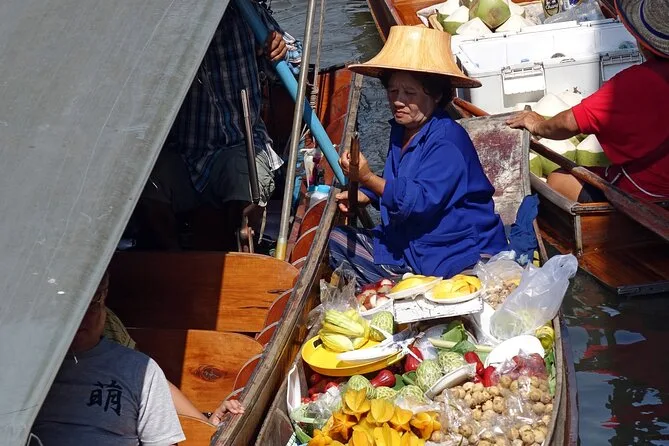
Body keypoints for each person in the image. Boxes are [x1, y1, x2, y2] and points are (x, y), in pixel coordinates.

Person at [328, 26, 508, 285]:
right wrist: (369, 194)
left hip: (454, 252)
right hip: (413, 244)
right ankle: (401, 282)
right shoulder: (403, 129)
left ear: (436, 95)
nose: (398, 101)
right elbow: (404, 182)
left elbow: (421, 200)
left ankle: (408, 283)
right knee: (338, 240)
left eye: (409, 93)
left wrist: (367, 178)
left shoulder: (447, 140)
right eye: (393, 92)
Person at [140, 0, 302, 249]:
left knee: (244, 188)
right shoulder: (163, 23)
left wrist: (278, 50)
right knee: (149, 184)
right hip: (185, 152)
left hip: (239, 144)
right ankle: (172, 262)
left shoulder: (244, 12)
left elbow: (296, 60)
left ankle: (242, 256)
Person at [507, 0, 669, 202]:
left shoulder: (637, 82)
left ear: (642, 41)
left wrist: (537, 125)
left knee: (557, 179)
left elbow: (569, 123)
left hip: (647, 194)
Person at [32, 273, 185, 445]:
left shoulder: (139, 369)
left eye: (91, 304)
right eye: (67, 306)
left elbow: (163, 442)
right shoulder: (25, 365)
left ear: (103, 305)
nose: (79, 316)